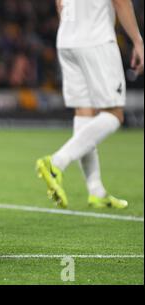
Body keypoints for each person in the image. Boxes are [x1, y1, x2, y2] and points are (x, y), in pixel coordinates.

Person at [36, 0, 144, 209]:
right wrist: (138, 41)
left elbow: (59, 4)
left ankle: (96, 191)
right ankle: (56, 162)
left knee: (83, 112)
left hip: (67, 39)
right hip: (96, 40)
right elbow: (120, 2)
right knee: (114, 114)